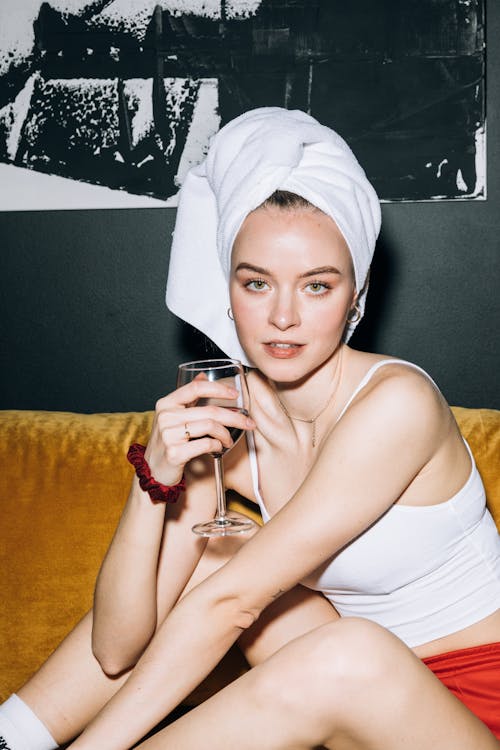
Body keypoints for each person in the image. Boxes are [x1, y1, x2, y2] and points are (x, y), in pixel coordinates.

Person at [1, 107, 499, 750]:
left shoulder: (398, 403)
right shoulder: (228, 417)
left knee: (342, 645)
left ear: (356, 293)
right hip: (355, 713)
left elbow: (232, 605)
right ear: (227, 286)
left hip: (472, 713)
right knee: (218, 556)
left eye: (317, 286)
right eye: (257, 283)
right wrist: (152, 479)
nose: (284, 317)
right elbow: (118, 649)